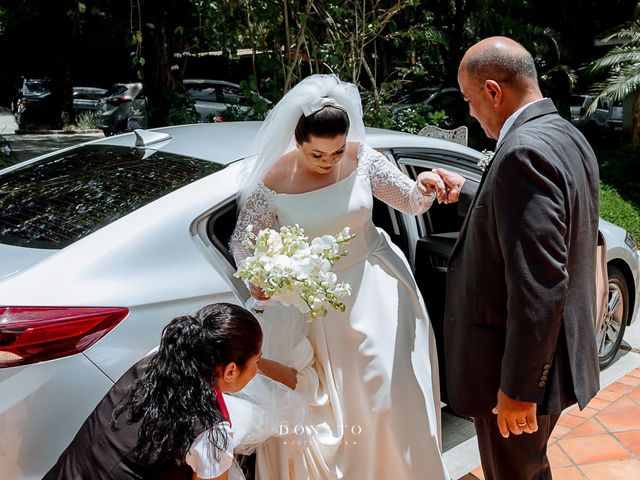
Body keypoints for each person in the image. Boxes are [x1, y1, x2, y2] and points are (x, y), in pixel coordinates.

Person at [229, 74, 450, 479]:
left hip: (378, 290)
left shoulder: (362, 157)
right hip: (316, 307)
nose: (329, 161)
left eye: (336, 151)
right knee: (334, 403)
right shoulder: (273, 182)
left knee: (388, 391)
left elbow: (410, 202)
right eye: (317, 154)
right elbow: (243, 243)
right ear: (298, 141)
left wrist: (426, 185)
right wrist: (260, 278)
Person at [434, 37, 600, 479]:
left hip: (523, 374)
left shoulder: (522, 151)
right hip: (559, 358)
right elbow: (543, 217)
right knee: (528, 468)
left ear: (493, 91)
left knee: (515, 474)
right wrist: (468, 192)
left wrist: (518, 390)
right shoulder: (566, 133)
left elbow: (541, 286)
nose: (469, 112)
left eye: (469, 100)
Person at [43, 303, 271, 480]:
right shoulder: (211, 435)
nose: (256, 371)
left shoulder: (159, 357)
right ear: (231, 371)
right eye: (255, 363)